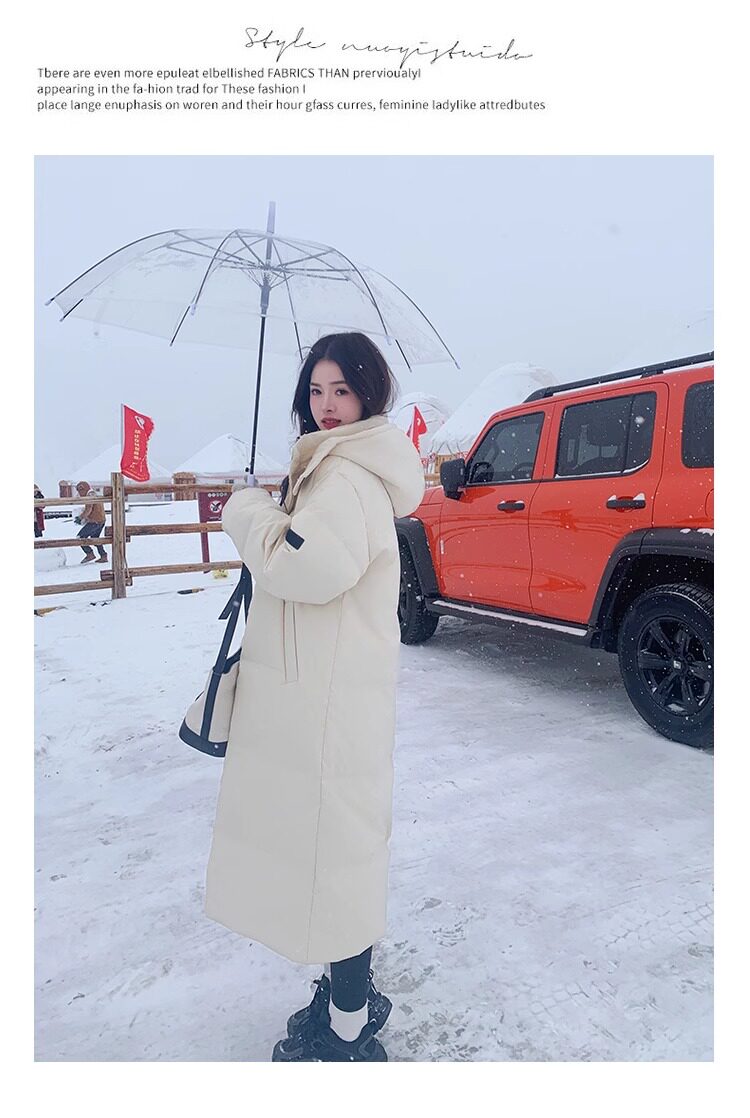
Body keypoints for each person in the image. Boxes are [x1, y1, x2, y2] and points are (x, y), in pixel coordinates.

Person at [205, 332, 426, 1062]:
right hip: (333, 697)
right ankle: (345, 997)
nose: (327, 405)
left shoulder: (347, 479)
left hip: (331, 708)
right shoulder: (338, 468)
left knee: (338, 863)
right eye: (317, 390)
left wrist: (247, 512)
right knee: (337, 858)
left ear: (369, 394)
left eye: (342, 390)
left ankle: (348, 1029)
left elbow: (305, 569)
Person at [73, 481, 107, 563]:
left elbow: (88, 509)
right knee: (95, 538)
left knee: (80, 537)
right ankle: (103, 555)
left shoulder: (89, 496)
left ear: (83, 489)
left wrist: (80, 518)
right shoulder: (94, 494)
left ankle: (90, 554)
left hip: (94, 521)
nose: (79, 493)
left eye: (79, 491)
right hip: (101, 520)